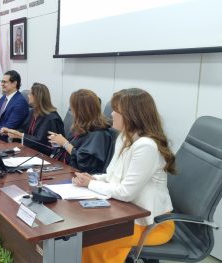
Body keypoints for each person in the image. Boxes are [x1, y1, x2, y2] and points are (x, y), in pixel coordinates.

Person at [74, 88, 176, 263]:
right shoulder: (124, 138)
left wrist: (90, 185)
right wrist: (93, 179)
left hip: (151, 225)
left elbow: (126, 192)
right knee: (85, 235)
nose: (111, 113)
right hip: (129, 215)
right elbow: (112, 174)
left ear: (131, 116)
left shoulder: (146, 146)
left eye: (116, 110)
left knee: (92, 243)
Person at [48, 89, 114, 174]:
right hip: (67, 169)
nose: (71, 110)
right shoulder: (82, 126)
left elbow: (86, 164)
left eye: (72, 107)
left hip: (80, 177)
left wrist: (65, 144)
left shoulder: (99, 134)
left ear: (81, 110)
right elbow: (75, 148)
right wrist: (59, 143)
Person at [0, 83, 64, 155]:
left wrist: (21, 135)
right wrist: (11, 132)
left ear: (37, 97)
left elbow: (41, 142)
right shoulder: (33, 112)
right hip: (29, 151)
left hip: (44, 156)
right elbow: (25, 129)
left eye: (30, 94)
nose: (28, 96)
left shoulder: (51, 118)